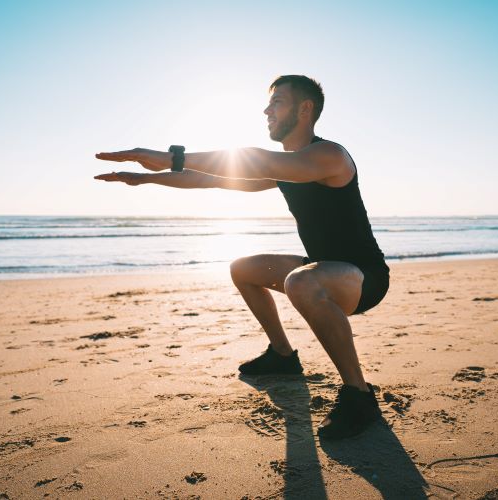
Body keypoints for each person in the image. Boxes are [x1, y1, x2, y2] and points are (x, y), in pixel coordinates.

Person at [94, 75, 390, 439]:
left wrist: (173, 156)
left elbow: (258, 162)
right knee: (244, 269)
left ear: (305, 109)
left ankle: (359, 396)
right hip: (323, 271)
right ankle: (283, 357)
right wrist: (147, 179)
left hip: (364, 279)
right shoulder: (286, 168)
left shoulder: (329, 155)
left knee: (300, 280)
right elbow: (212, 179)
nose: (267, 110)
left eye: (277, 102)